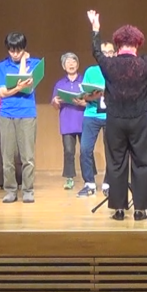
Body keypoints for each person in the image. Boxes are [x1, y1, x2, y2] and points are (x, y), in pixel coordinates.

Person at [87, 5, 147, 221]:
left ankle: (118, 209)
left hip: (115, 120)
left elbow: (96, 51)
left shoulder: (109, 64)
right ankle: (140, 209)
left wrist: (96, 29)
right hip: (139, 120)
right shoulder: (146, 63)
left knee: (116, 163)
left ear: (118, 45)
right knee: (142, 163)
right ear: (137, 44)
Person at [0, 32, 42, 204]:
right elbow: (1, 92)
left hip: (27, 113)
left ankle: (28, 190)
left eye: (18, 50)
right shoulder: (1, 66)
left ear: (24, 49)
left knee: (27, 156)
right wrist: (17, 88)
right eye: (11, 50)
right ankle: (10, 190)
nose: (15, 54)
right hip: (7, 114)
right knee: (7, 156)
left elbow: (28, 86)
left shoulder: (34, 64)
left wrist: (22, 63)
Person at [75, 42, 114, 198]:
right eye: (103, 52)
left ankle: (109, 183)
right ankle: (89, 184)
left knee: (112, 150)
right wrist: (94, 96)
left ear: (115, 54)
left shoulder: (118, 71)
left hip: (112, 115)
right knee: (85, 149)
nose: (107, 55)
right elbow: (84, 95)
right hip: (91, 114)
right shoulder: (91, 71)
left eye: (110, 52)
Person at [51, 52, 85, 190]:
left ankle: (89, 178)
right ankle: (70, 178)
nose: (71, 64)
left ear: (78, 64)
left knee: (86, 151)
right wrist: (55, 101)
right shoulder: (59, 84)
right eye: (68, 62)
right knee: (69, 151)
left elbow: (92, 101)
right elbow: (55, 106)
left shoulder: (84, 81)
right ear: (64, 66)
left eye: (73, 61)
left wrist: (83, 102)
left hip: (84, 121)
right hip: (67, 122)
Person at [0, 87, 22, 189]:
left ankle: (17, 178)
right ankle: (0, 179)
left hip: (15, 113)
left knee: (15, 144)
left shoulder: (17, 84)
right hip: (0, 114)